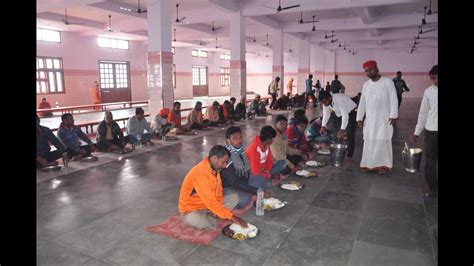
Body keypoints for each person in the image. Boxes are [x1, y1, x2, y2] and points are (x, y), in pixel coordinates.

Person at [178, 145, 248, 230]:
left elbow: (218, 192)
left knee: (234, 198)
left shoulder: (215, 169)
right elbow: (210, 202)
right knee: (209, 225)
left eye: (226, 162)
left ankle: (213, 213)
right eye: (223, 162)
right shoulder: (200, 173)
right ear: (214, 158)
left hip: (207, 205)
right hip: (191, 209)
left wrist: (215, 209)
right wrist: (232, 217)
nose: (225, 166)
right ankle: (204, 217)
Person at [356, 60, 398, 175]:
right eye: (366, 71)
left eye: (370, 69)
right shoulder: (366, 85)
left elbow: (394, 99)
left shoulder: (387, 82)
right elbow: (362, 102)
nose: (368, 72)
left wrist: (393, 115)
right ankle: (369, 164)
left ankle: (383, 165)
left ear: (377, 69)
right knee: (369, 141)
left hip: (384, 119)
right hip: (370, 119)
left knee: (382, 141)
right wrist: (359, 117)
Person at [221, 126, 271, 211]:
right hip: (229, 187)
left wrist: (252, 189)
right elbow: (235, 183)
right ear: (228, 141)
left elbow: (247, 174)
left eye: (240, 137)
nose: (239, 140)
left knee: (261, 179)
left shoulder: (242, 152)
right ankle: (249, 195)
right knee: (244, 200)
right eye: (235, 138)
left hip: (243, 182)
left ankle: (249, 193)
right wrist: (256, 191)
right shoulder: (226, 157)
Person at [411, 65, 438, 197]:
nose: (436, 81)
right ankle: (433, 188)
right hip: (432, 131)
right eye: (433, 79)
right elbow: (423, 113)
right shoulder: (429, 92)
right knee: (431, 161)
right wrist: (417, 132)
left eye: (437, 78)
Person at [319, 91, 358, 158]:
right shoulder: (325, 103)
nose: (324, 104)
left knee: (349, 134)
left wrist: (342, 129)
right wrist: (323, 126)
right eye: (322, 103)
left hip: (352, 113)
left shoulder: (339, 99)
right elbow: (326, 114)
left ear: (329, 98)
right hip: (339, 114)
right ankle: (337, 150)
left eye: (325, 102)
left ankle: (349, 155)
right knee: (336, 132)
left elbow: (345, 115)